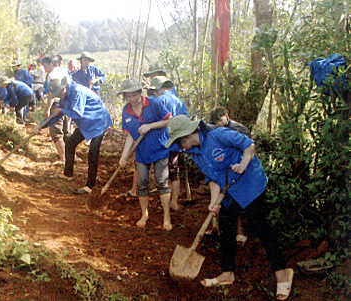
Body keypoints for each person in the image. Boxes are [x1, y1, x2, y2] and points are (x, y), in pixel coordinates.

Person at [165, 115, 294, 300]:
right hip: (229, 190)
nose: (179, 148)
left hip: (250, 184)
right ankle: (228, 272)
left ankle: (283, 274)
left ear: (185, 136)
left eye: (178, 143)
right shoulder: (195, 154)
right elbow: (212, 178)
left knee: (261, 228)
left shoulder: (218, 135)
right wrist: (214, 201)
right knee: (226, 228)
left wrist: (243, 163)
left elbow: (249, 145)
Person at [33, 73, 113, 194]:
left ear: (64, 88)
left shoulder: (77, 91)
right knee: (70, 143)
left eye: (59, 93)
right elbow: (56, 115)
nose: (59, 97)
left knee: (93, 153)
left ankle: (90, 186)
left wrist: (62, 110)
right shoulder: (64, 98)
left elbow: (77, 113)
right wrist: (41, 126)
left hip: (98, 121)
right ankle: (68, 174)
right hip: (86, 123)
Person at [118, 78, 173, 231]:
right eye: (128, 97)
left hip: (160, 148)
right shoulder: (126, 111)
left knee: (162, 182)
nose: (132, 99)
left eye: (134, 95)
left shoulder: (153, 103)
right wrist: (124, 156)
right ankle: (145, 214)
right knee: (142, 183)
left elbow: (169, 120)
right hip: (142, 152)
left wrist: (150, 126)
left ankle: (166, 217)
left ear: (139, 93)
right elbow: (130, 135)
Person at [210, 106, 250, 245]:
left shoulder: (240, 129)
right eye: (216, 122)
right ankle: (218, 228)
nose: (219, 124)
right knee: (223, 199)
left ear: (227, 116)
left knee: (237, 201)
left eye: (220, 120)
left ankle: (240, 232)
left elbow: (246, 148)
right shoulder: (214, 130)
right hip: (224, 168)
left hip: (239, 168)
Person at [149, 76, 188, 211]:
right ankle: (174, 202)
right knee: (174, 172)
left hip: (161, 142)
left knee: (161, 173)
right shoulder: (179, 101)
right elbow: (185, 120)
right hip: (176, 142)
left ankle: (164, 201)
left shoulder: (157, 101)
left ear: (157, 90)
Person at [41, 56, 73, 165]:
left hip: (57, 104)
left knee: (56, 133)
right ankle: (73, 157)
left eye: (45, 66)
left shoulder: (51, 75)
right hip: (68, 103)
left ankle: (64, 159)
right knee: (67, 131)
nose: (45, 69)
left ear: (51, 64)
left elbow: (52, 94)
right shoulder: (63, 71)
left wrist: (48, 109)